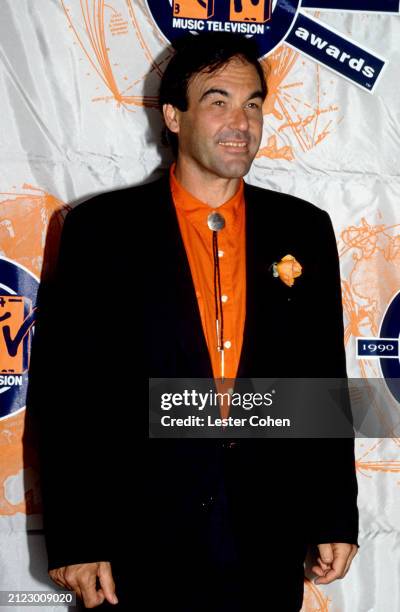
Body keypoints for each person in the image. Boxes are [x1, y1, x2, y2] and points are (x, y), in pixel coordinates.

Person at [30, 32, 358, 611]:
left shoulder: (303, 228)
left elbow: (319, 383)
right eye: (218, 101)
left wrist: (334, 514)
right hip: (140, 540)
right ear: (174, 116)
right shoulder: (100, 233)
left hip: (266, 535)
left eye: (253, 103)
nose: (242, 121)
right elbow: (67, 398)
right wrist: (79, 539)